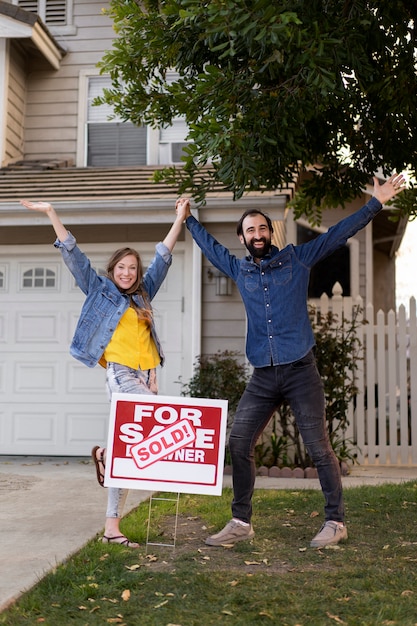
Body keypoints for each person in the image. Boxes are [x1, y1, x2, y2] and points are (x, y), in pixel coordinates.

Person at [178, 173, 406, 548]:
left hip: (301, 370)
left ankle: (335, 521)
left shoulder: (296, 259)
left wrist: (375, 202)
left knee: (319, 448)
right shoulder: (239, 269)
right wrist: (187, 219)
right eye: (250, 230)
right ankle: (240, 521)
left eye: (262, 228)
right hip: (264, 376)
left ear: (271, 233)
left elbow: (337, 234)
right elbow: (209, 247)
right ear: (243, 238)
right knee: (239, 440)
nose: (257, 234)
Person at [20, 198, 188, 548]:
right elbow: (73, 256)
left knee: (128, 450)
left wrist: (180, 219)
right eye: (121, 268)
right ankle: (109, 456)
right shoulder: (99, 290)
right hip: (121, 373)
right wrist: (52, 212)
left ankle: (112, 527)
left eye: (132, 269)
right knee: (154, 423)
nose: (127, 273)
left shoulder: (143, 294)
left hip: (147, 376)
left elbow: (164, 258)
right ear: (112, 270)